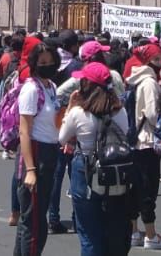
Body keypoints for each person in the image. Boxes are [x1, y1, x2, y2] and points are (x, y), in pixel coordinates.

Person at [60, 60, 135, 256]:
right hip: (113, 170)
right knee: (112, 228)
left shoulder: (78, 112)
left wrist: (69, 106)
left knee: (89, 234)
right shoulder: (120, 110)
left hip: (85, 167)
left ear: (87, 85)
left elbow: (61, 138)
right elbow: (125, 135)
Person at [16, 41, 63, 256]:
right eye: (43, 62)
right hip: (35, 153)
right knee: (34, 225)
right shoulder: (31, 89)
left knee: (33, 219)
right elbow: (24, 131)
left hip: (50, 151)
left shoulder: (51, 87)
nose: (48, 65)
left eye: (51, 61)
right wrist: (30, 170)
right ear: (34, 64)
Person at [127, 43, 161, 251]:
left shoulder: (134, 80)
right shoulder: (150, 83)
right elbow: (153, 114)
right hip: (147, 140)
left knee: (135, 188)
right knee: (148, 189)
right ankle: (151, 235)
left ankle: (134, 231)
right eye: (157, 59)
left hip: (134, 141)